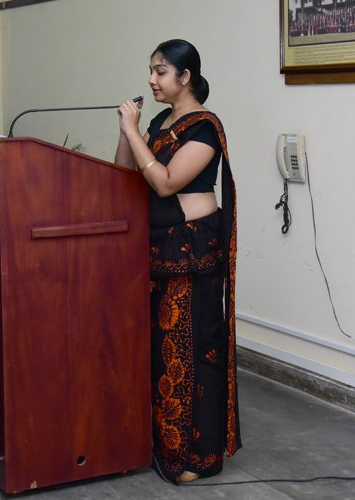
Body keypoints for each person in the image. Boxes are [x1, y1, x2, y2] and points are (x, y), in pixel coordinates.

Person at [114, 39, 241, 484]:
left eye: (161, 71)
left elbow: (166, 182)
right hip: (158, 248)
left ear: (185, 77)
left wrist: (135, 134)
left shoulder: (204, 127)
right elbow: (125, 174)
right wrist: (127, 132)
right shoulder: (158, 122)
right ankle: (163, 445)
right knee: (161, 351)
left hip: (192, 252)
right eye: (151, 70)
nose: (152, 80)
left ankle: (198, 457)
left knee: (193, 350)